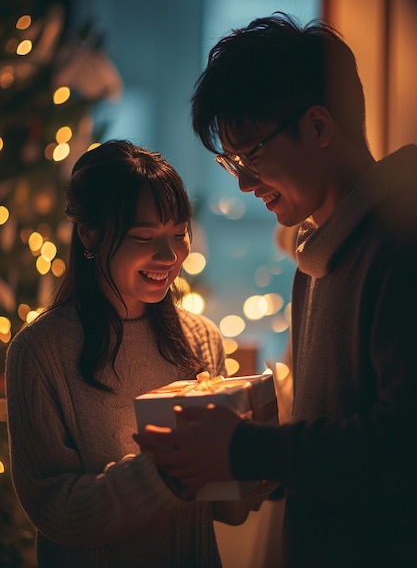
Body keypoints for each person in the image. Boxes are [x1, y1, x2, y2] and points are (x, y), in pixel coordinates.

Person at [137, 13, 417, 567]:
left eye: (252, 155)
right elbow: (338, 435)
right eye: (231, 161)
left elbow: (401, 444)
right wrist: (260, 467)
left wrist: (246, 448)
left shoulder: (400, 243)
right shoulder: (315, 255)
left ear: (317, 127)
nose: (242, 182)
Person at [5, 140, 268, 568]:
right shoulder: (40, 352)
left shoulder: (200, 338)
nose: (169, 256)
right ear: (88, 232)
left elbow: (224, 509)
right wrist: (163, 471)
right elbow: (56, 509)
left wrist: (252, 465)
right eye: (144, 237)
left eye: (179, 235)